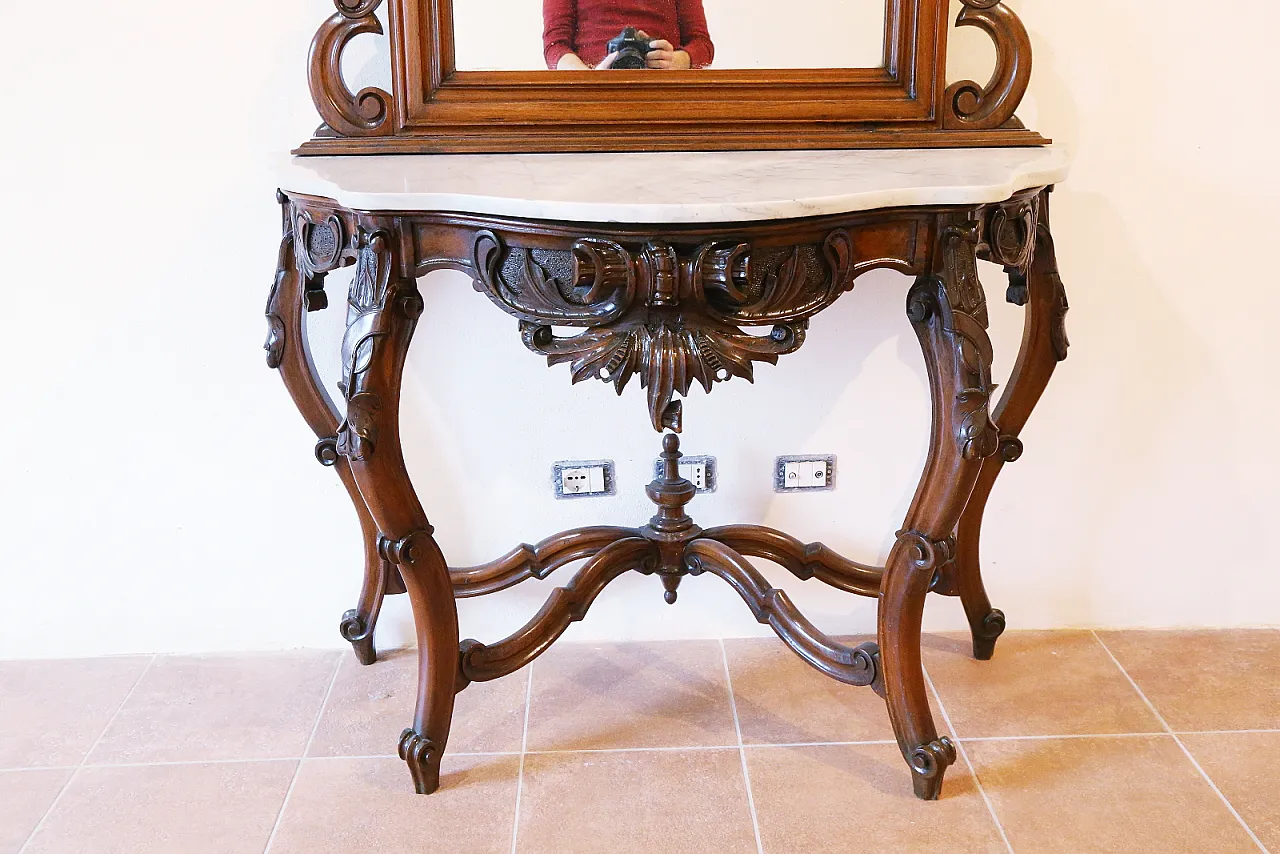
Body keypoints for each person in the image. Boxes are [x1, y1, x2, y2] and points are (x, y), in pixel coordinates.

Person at [543, 0, 714, 70]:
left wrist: (673, 61)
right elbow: (555, 45)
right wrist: (588, 81)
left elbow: (702, 44)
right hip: (591, 98)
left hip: (665, 90)